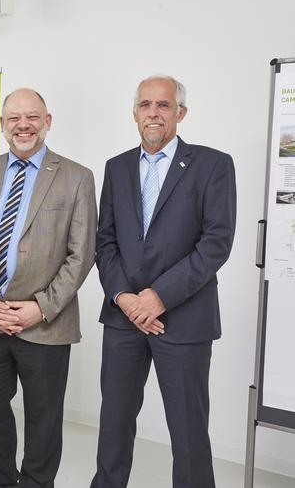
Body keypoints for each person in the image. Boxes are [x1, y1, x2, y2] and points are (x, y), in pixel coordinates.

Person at [90, 75, 237, 488]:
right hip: (124, 320)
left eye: (163, 105)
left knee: (188, 431)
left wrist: (159, 297)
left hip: (185, 319)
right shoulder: (116, 167)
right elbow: (105, 241)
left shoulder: (213, 164)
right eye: (145, 105)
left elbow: (216, 243)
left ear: (180, 112)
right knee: (114, 424)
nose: (153, 113)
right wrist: (125, 298)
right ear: (135, 112)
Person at [0, 88, 97, 488]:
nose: (23, 125)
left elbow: (81, 255)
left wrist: (41, 307)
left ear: (47, 121)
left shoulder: (76, 177)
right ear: (2, 125)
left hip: (46, 324)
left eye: (32, 117)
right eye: (14, 118)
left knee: (44, 417)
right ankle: (0, 481)